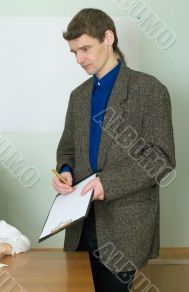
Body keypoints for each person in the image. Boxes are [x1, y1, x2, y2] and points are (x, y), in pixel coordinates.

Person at [52, 8, 175, 292]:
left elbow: (162, 158)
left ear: (108, 37)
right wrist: (65, 172)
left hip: (124, 224)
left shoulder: (150, 90)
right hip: (79, 223)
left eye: (85, 48)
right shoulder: (79, 95)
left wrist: (106, 184)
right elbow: (67, 148)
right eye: (74, 52)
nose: (80, 59)